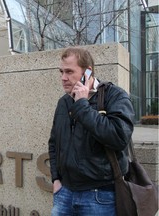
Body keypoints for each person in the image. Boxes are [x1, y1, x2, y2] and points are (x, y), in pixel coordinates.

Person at [48, 47, 135, 216]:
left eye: (69, 72)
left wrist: (82, 106)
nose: (63, 78)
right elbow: (54, 143)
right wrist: (56, 180)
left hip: (100, 197)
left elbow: (118, 137)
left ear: (87, 72)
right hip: (64, 193)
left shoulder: (114, 96)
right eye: (61, 72)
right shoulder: (64, 102)